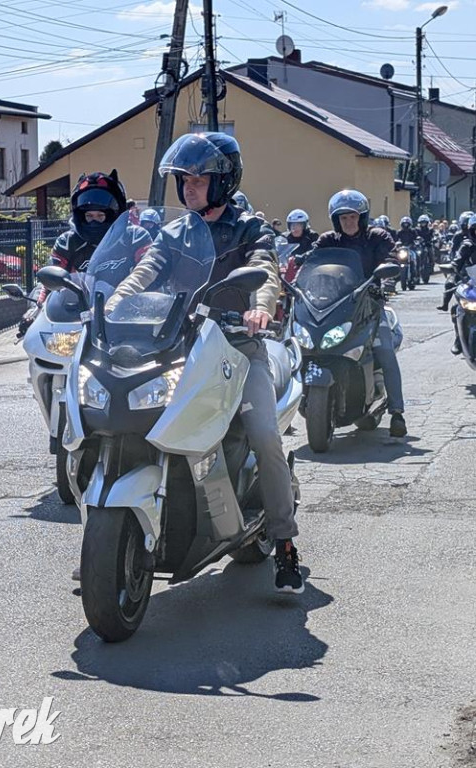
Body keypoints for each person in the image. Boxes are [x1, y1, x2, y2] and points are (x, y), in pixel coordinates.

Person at [106, 131, 304, 594]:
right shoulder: (174, 232)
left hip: (239, 349)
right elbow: (146, 269)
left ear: (223, 182)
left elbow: (266, 269)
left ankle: (286, 543)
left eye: (199, 179)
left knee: (264, 436)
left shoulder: (249, 227)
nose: (189, 188)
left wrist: (260, 305)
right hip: (180, 347)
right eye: (183, 180)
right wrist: (117, 298)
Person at [309, 189, 407, 438]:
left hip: (370, 306)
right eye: (343, 218)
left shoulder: (377, 236)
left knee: (383, 348)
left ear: (361, 218)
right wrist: (299, 267)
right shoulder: (328, 240)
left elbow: (390, 258)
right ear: (336, 220)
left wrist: (385, 284)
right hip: (335, 305)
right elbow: (311, 262)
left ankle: (397, 412)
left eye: (353, 217)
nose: (348, 222)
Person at [18, 170, 149, 336]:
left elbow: (150, 274)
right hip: (75, 322)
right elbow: (48, 284)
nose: (94, 221)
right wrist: (35, 311)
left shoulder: (135, 238)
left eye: (100, 215)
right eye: (89, 215)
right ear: (81, 215)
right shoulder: (68, 242)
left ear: (114, 214)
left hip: (126, 320)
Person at [449, 213, 476, 355]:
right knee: (457, 307)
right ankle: (459, 338)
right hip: (470, 282)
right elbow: (457, 261)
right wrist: (453, 268)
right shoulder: (467, 245)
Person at [437, 211, 474, 311]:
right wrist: (453, 262)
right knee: (450, 282)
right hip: (463, 266)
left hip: (473, 268)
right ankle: (445, 304)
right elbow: (453, 250)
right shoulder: (459, 238)